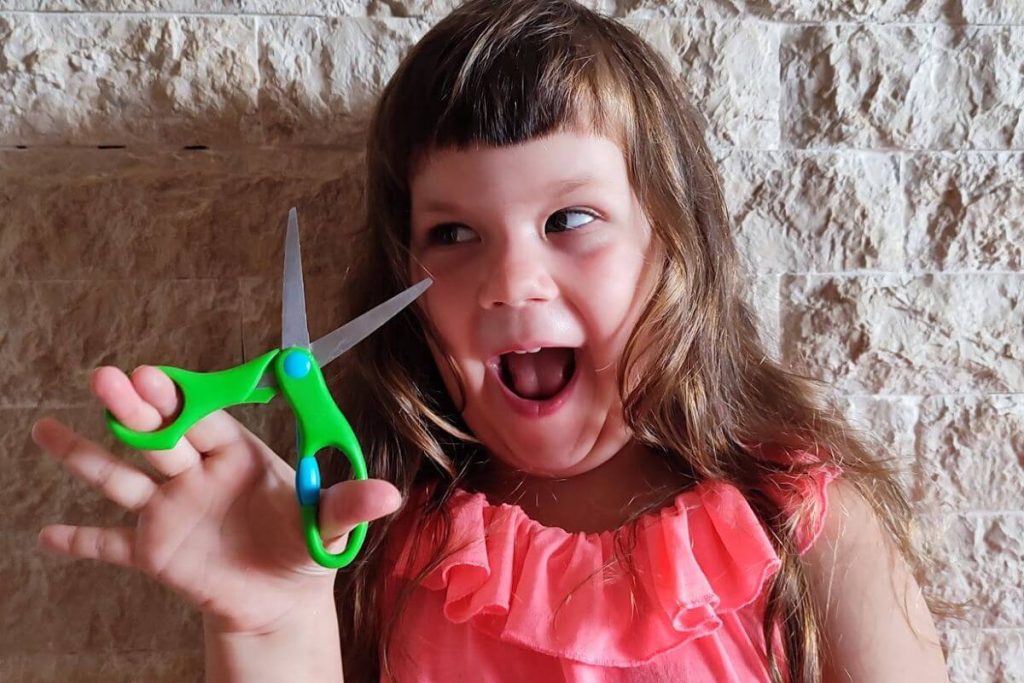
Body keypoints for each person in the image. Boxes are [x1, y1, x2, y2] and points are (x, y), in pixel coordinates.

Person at [32, 1, 951, 681]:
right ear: (405, 290)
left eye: (572, 218)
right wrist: (272, 623)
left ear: (673, 247)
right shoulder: (382, 539)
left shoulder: (803, 526)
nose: (510, 282)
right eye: (454, 235)